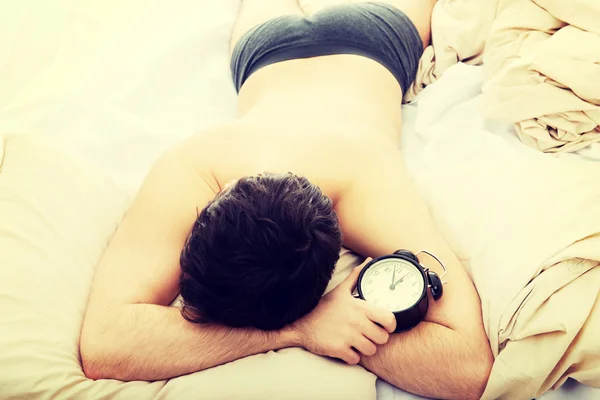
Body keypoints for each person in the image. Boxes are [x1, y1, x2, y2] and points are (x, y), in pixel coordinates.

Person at [80, 1, 493, 398]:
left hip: (362, 39)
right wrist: (301, 328)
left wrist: (284, 329)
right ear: (222, 195)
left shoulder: (359, 181)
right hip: (273, 49)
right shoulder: (204, 161)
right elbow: (106, 342)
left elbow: (470, 370)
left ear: (215, 196)